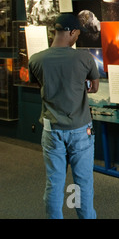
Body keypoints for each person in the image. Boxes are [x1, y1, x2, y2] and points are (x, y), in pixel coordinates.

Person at [28, 13, 100, 219]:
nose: (77, 37)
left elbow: (39, 84)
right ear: (71, 32)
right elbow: (94, 88)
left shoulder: (36, 60)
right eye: (77, 33)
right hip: (80, 130)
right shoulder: (84, 58)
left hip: (52, 130)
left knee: (54, 183)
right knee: (82, 183)